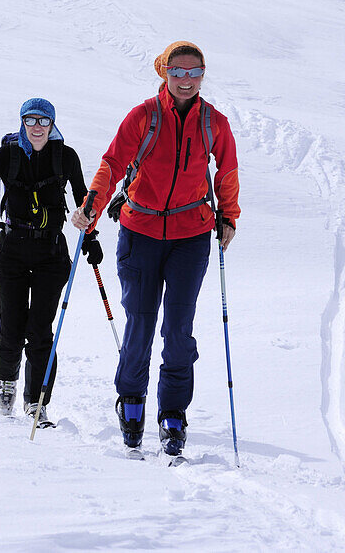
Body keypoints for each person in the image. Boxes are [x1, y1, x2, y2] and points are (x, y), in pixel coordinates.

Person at [72, 41, 240, 456]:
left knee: (178, 330)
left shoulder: (213, 122)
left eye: (194, 72)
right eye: (177, 72)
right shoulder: (144, 116)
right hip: (140, 232)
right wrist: (90, 208)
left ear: (203, 73)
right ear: (164, 72)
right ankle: (131, 401)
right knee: (141, 324)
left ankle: (173, 415)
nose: (186, 81)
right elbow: (112, 164)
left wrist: (229, 216)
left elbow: (228, 168)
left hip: (191, 234)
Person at [0, 96, 101, 427]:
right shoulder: (7, 155)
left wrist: (91, 236)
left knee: (40, 332)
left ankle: (36, 403)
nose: (37, 127)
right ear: (22, 122)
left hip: (50, 253)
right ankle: (6, 380)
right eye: (31, 120)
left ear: (53, 124)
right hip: (11, 250)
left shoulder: (65, 157)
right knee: (11, 328)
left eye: (44, 121)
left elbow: (84, 199)